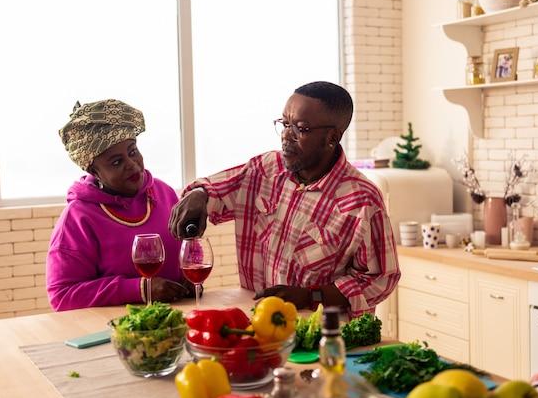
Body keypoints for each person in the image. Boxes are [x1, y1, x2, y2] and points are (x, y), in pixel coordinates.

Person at [169, 81, 400, 318]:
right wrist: (199, 194)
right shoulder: (264, 169)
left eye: (301, 128)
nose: (286, 136)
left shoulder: (361, 200)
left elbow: (380, 280)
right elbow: (213, 190)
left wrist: (310, 295)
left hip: (324, 337)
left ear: (332, 137)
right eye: (285, 124)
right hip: (262, 324)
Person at [47, 99, 193, 311]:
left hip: (175, 321)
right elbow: (62, 296)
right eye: (117, 162)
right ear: (93, 171)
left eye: (132, 151)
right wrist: (138, 290)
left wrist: (188, 275)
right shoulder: (78, 217)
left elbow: (188, 249)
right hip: (115, 332)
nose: (132, 165)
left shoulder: (164, 193)